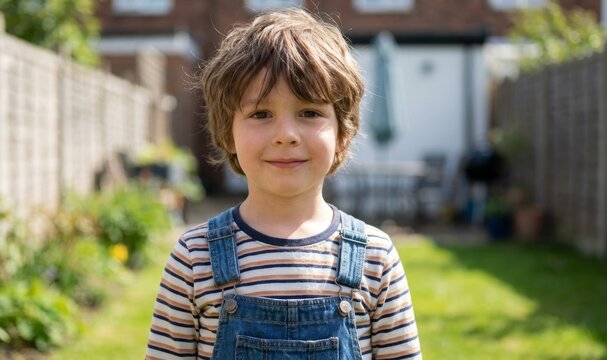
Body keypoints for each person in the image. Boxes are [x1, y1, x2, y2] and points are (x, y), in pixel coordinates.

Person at [146, 8, 421, 360]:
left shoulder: (376, 258)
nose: (286, 135)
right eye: (261, 114)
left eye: (309, 112)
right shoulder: (193, 259)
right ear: (228, 133)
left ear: (342, 132)